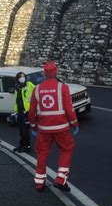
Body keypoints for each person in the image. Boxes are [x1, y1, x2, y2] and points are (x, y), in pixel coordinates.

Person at [29, 61, 79, 192]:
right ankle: (60, 179)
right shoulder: (62, 87)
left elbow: (31, 111)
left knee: (42, 153)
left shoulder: (37, 89)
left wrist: (34, 126)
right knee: (66, 150)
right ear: (56, 72)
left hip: (44, 129)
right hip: (62, 128)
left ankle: (39, 183)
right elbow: (69, 109)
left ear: (44, 74)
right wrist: (74, 124)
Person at [13, 72, 35, 153]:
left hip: (27, 111)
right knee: (21, 130)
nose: (22, 78)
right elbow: (17, 99)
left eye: (23, 77)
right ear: (17, 79)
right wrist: (15, 111)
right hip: (20, 111)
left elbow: (36, 94)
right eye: (20, 77)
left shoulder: (29, 85)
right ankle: (21, 145)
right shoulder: (17, 87)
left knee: (25, 130)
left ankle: (27, 146)